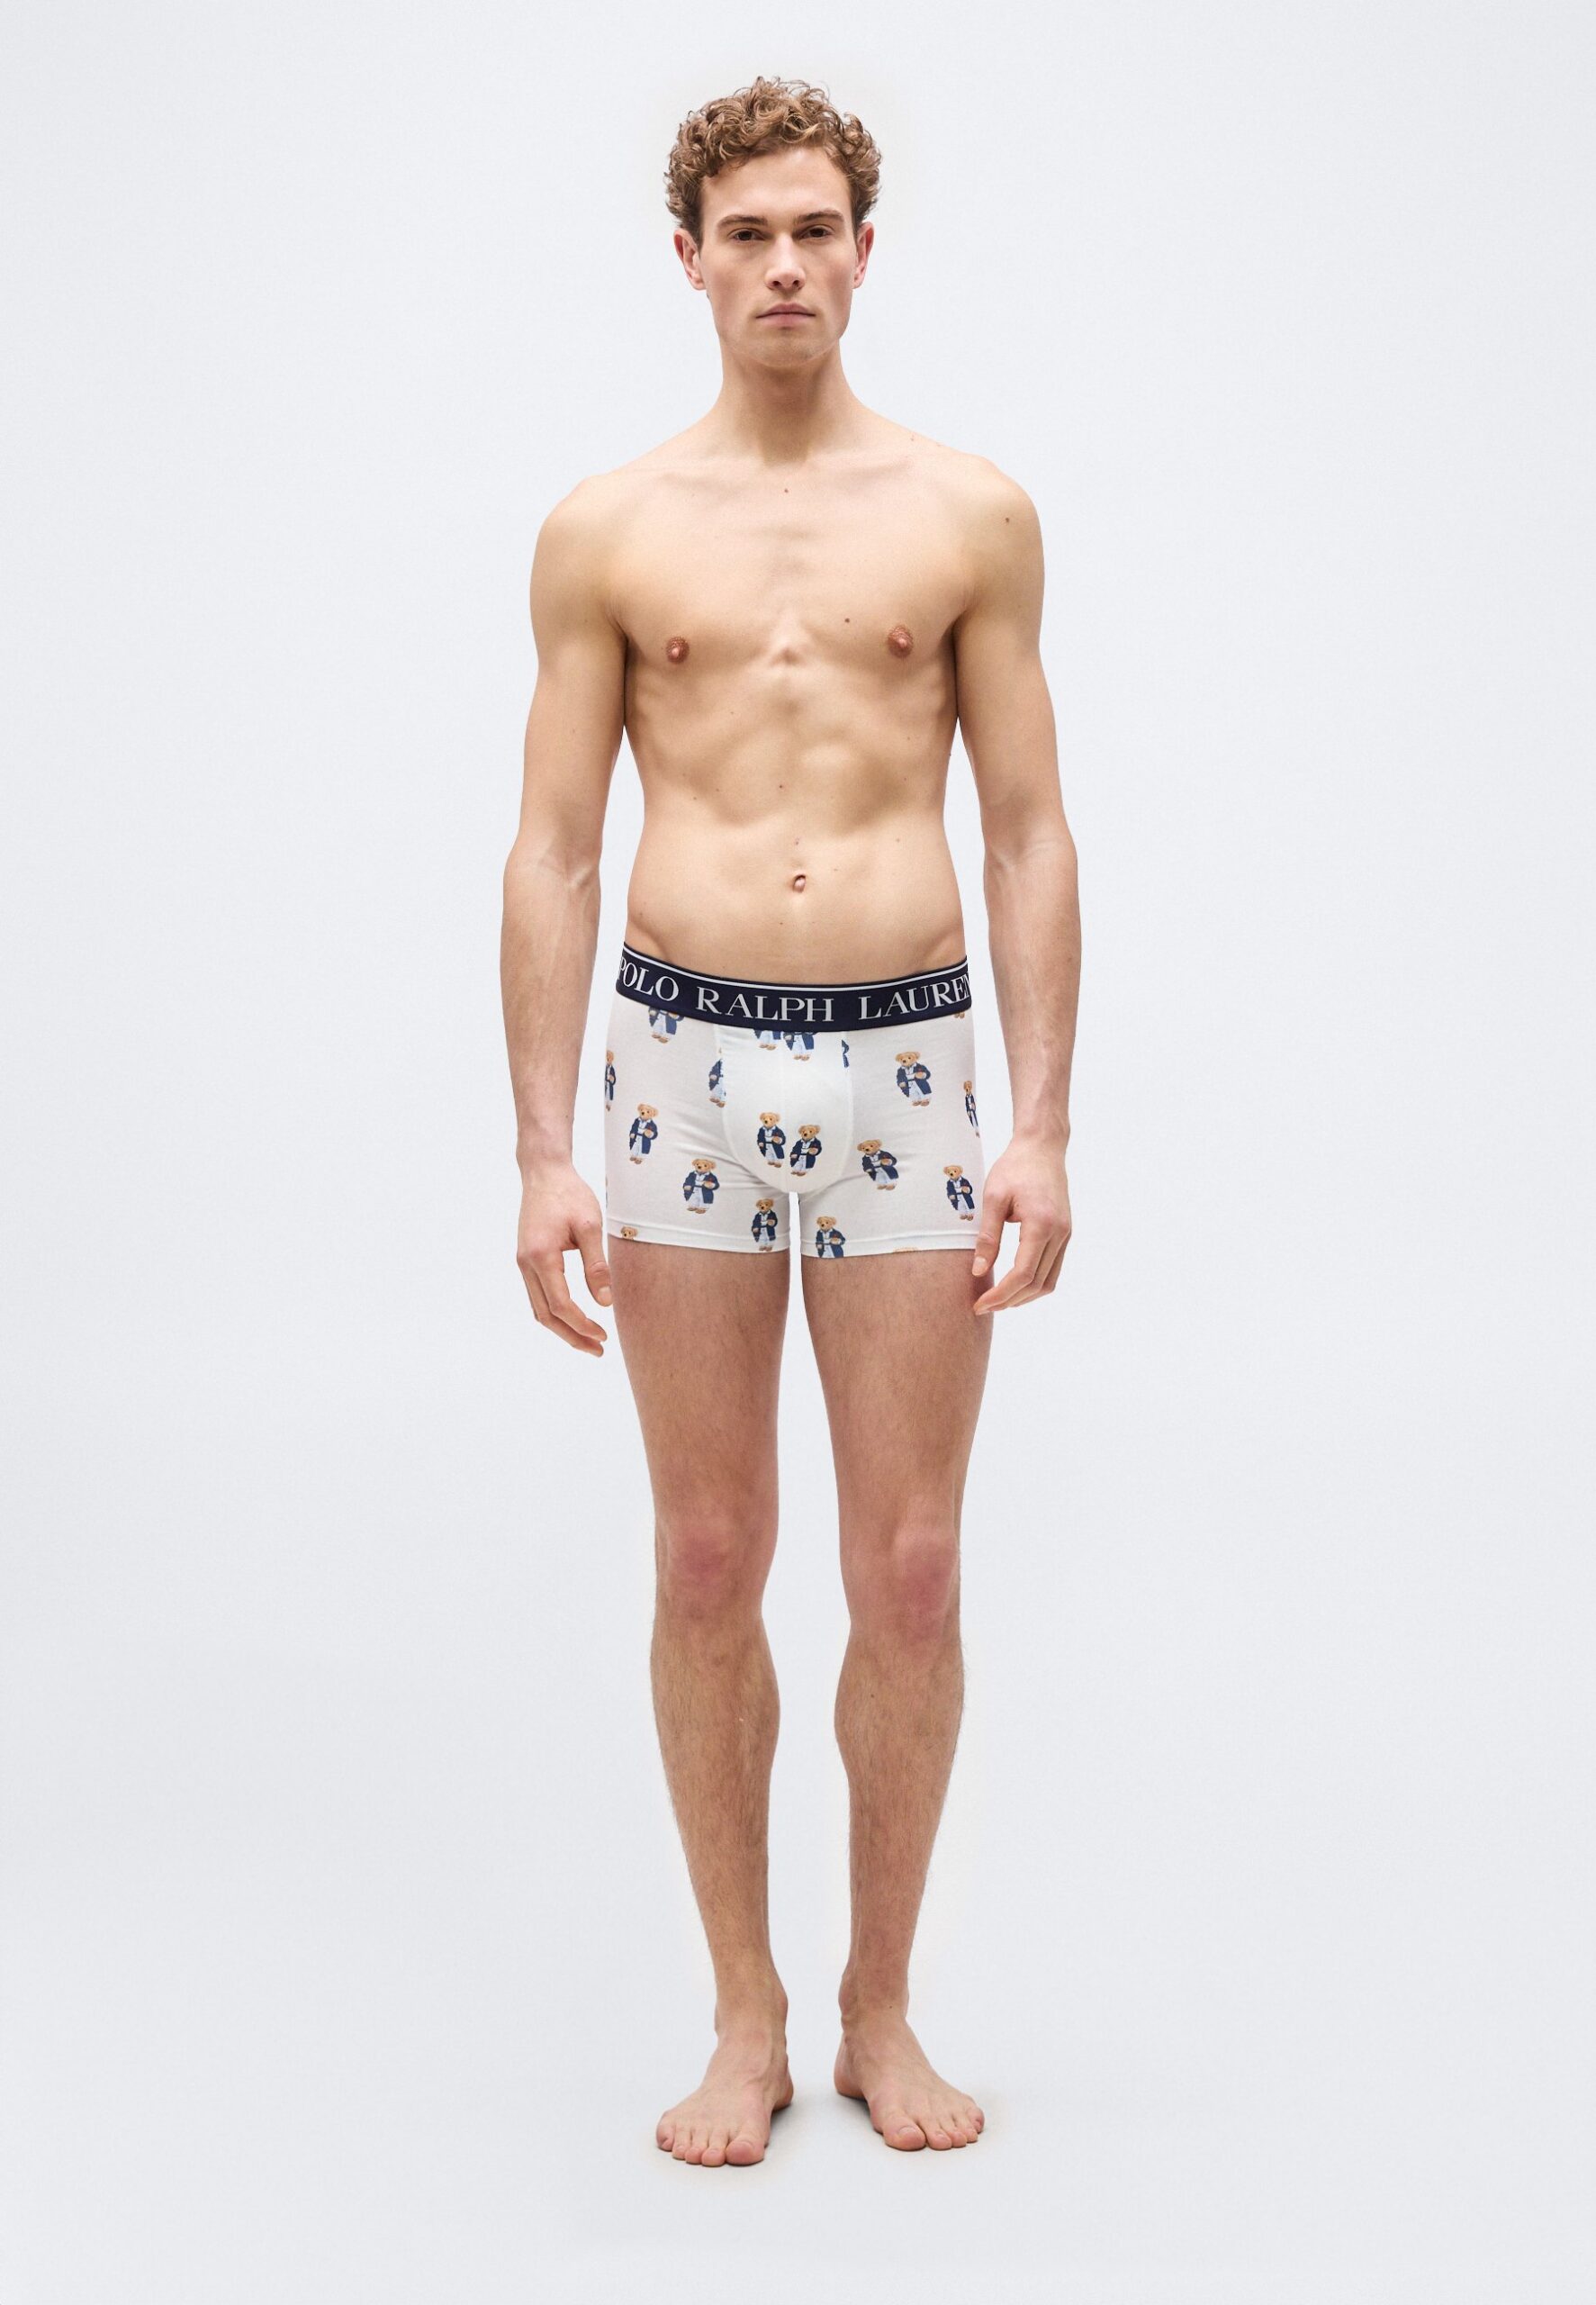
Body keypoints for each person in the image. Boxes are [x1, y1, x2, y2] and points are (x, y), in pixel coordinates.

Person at [500, 75, 1080, 2167]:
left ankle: (875, 2001)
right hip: (678, 1063)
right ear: (687, 258)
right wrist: (542, 1147)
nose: (780, 265)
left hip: (906, 1061)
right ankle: (741, 2003)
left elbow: (1025, 830)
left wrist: (1042, 1119)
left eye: (812, 228)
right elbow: (555, 848)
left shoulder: (965, 514)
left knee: (907, 1568)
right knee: (705, 1550)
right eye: (742, 232)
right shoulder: (608, 528)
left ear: (862, 250)